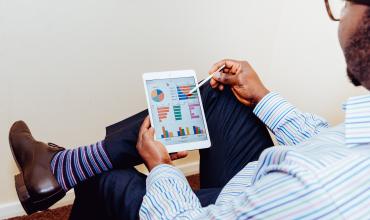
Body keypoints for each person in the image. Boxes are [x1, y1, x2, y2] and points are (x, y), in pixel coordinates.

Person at [8, 0, 370, 219]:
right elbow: (331, 142)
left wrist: (161, 168)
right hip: (259, 189)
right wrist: (262, 96)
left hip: (229, 208)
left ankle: (64, 168)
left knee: (107, 178)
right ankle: (56, 168)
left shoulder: (316, 188)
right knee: (221, 93)